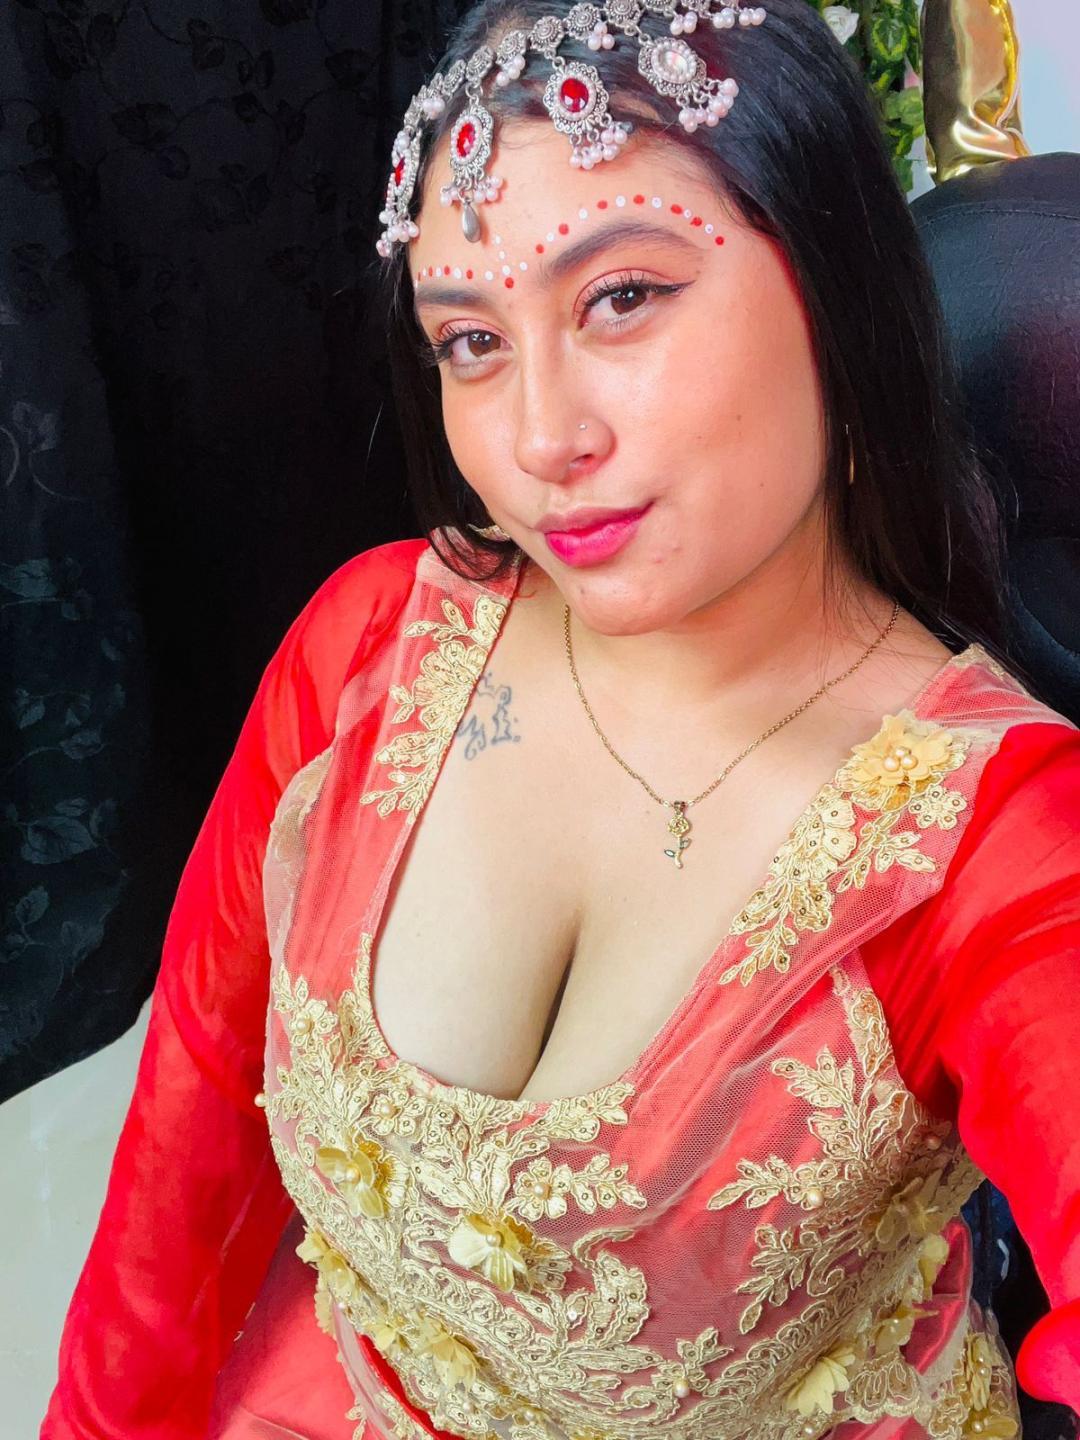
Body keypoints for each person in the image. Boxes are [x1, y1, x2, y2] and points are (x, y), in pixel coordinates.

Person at [41, 1, 1080, 1437]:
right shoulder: (372, 645)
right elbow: (184, 1168)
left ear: (834, 281)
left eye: (622, 298)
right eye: (470, 341)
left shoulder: (992, 841)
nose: (541, 439)